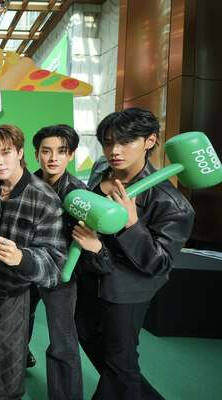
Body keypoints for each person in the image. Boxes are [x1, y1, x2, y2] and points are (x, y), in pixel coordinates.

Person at [73, 108, 195, 399]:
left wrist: (131, 224)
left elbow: (159, 263)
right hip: (90, 280)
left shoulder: (172, 203)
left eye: (126, 141)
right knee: (101, 350)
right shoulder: (101, 172)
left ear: (149, 141)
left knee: (119, 363)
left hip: (126, 292)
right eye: (108, 142)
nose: (115, 151)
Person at [0, 124, 67, 399]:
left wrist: (22, 258)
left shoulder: (45, 199)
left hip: (13, 287)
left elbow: (55, 264)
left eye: (6, 152)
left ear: (20, 153)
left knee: (6, 359)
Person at [23, 124, 85, 399]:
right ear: (37, 153)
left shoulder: (80, 193)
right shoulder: (24, 183)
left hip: (60, 275)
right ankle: (13, 373)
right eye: (46, 151)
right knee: (17, 327)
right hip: (25, 265)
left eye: (61, 151)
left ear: (70, 155)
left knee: (63, 341)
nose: (53, 158)